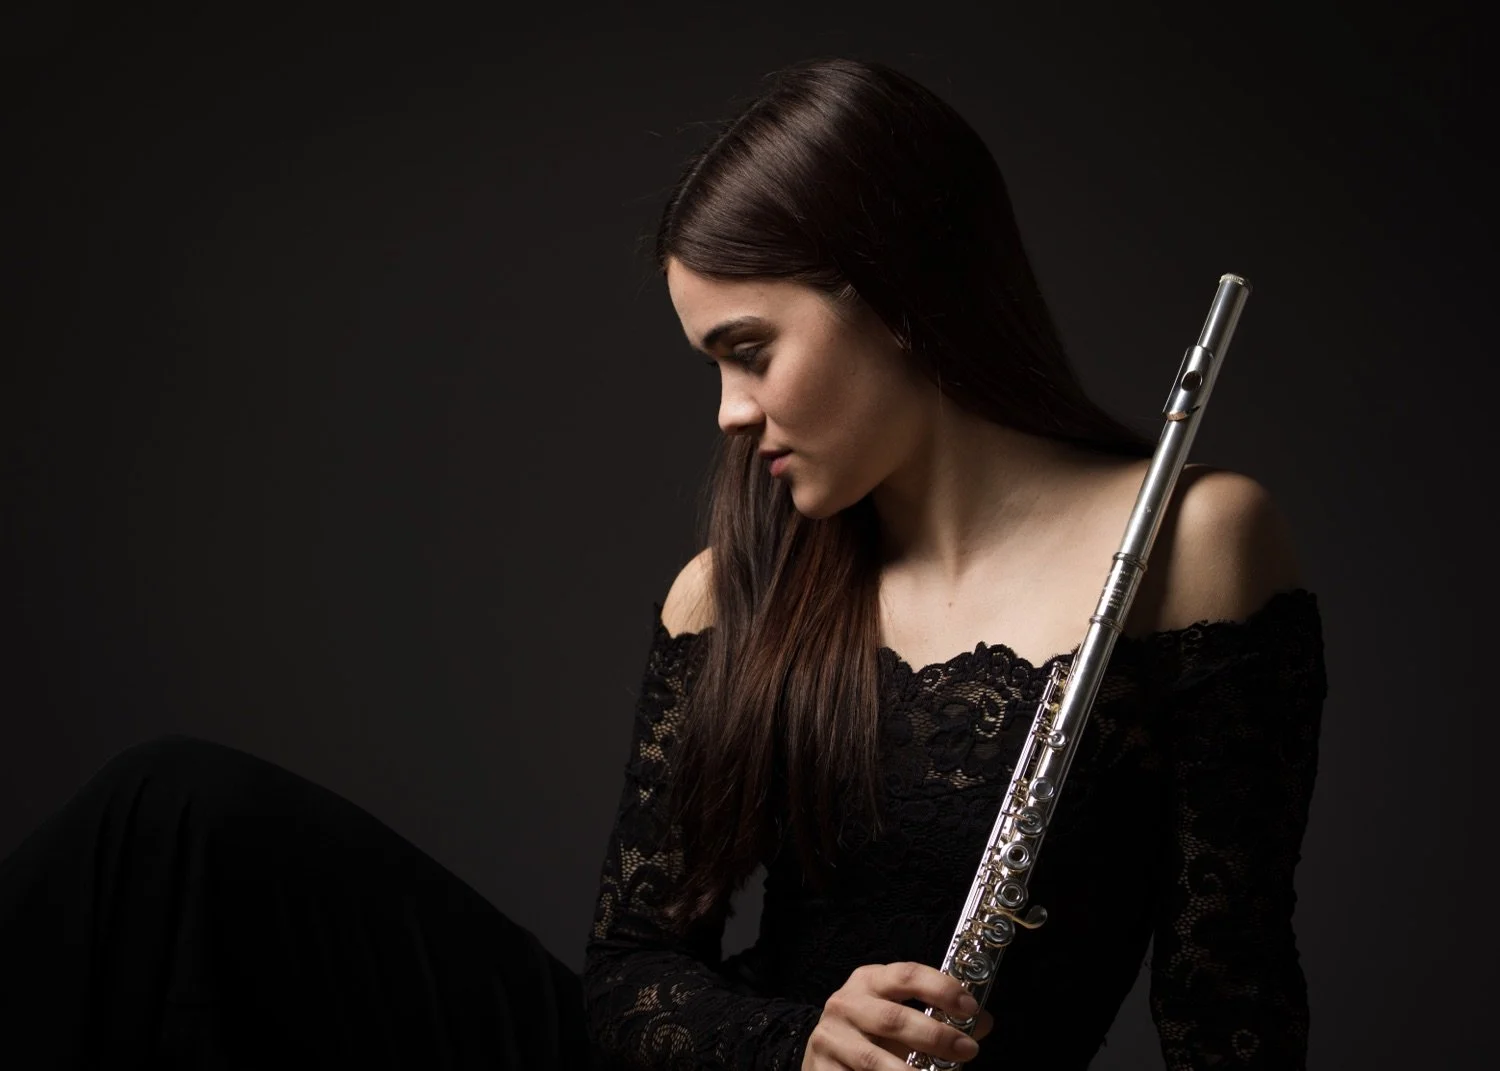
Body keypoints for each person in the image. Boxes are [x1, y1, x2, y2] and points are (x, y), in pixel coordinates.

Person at [0, 56, 1324, 1071]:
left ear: (900, 299)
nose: (730, 413)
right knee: (170, 815)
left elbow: (1229, 1004)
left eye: (750, 350)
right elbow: (632, 973)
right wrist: (798, 1043)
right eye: (713, 365)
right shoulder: (733, 588)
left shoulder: (1197, 543)